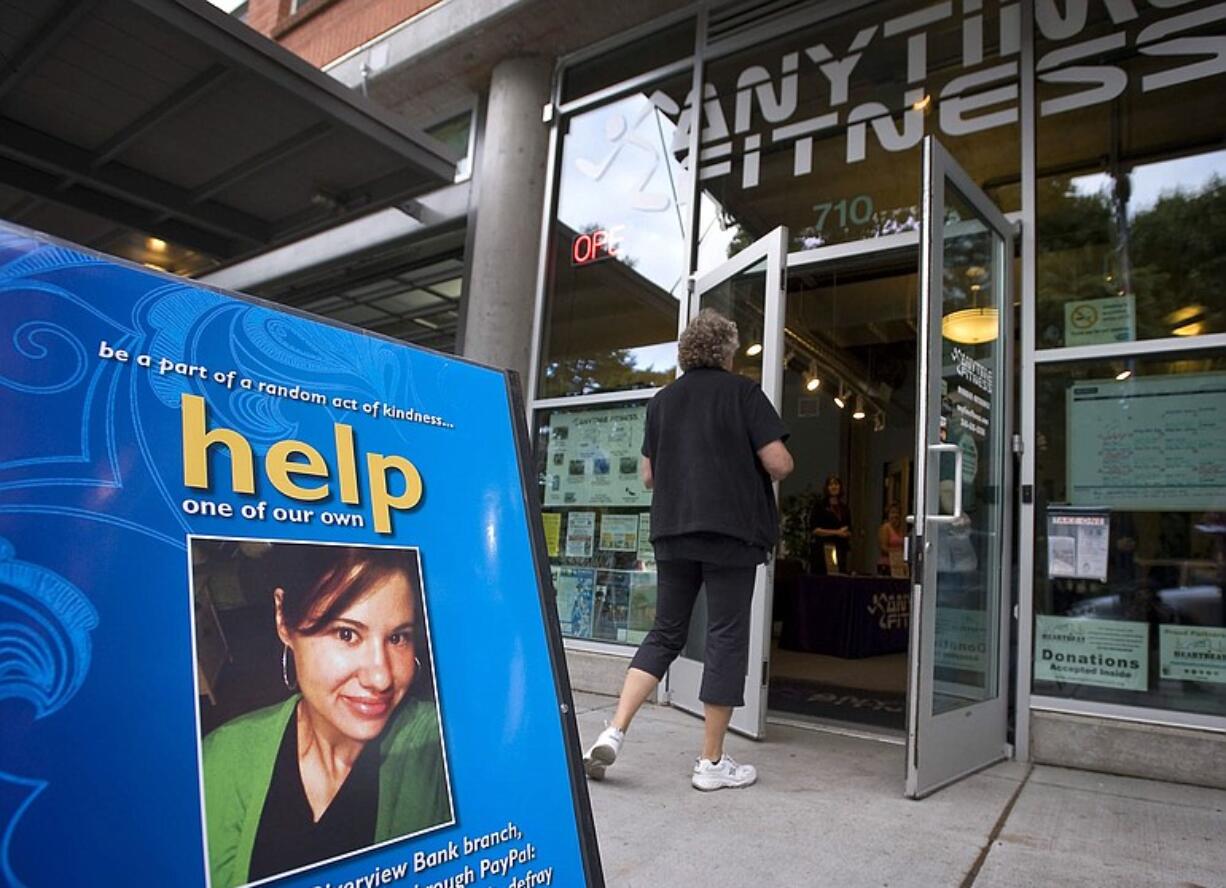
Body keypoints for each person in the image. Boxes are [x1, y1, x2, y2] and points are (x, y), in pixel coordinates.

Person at [582, 309, 793, 791]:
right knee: (725, 636)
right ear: (726, 351)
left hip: (673, 533)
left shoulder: (663, 402)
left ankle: (614, 729)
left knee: (665, 632)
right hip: (731, 535)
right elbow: (779, 463)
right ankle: (711, 763)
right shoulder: (743, 394)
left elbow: (649, 475)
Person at [202, 545, 450, 888]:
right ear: (283, 619)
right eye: (346, 633)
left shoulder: (439, 750)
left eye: (397, 638)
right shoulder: (220, 758)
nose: (381, 678)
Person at [810, 474, 852, 574]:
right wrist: (837, 532)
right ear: (827, 488)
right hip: (824, 549)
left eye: (836, 484)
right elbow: (815, 530)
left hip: (840, 549)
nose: (834, 487)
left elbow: (849, 528)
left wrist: (846, 533)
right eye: (831, 484)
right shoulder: (820, 506)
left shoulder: (844, 508)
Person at [877, 502, 906, 577]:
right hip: (886, 565)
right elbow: (883, 547)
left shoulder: (901, 529)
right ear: (888, 515)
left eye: (897, 513)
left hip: (898, 565)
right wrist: (896, 552)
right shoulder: (885, 528)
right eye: (892, 512)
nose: (895, 515)